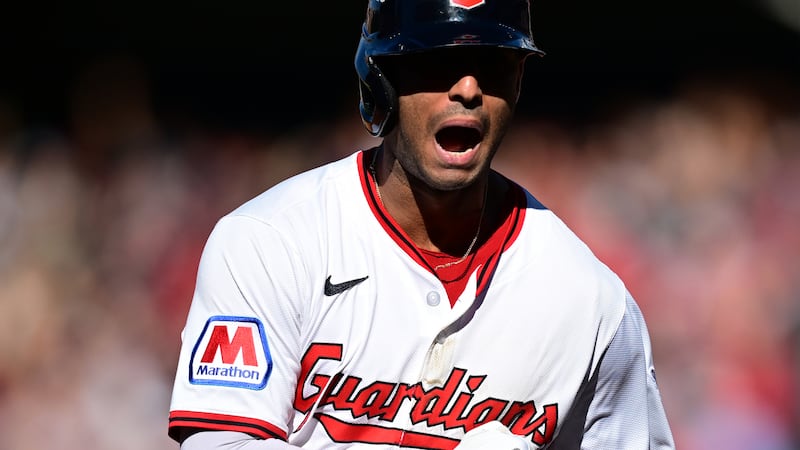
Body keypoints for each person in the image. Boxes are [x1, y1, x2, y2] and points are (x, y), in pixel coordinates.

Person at [167, 0, 676, 448]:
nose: (469, 89)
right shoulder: (271, 242)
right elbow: (223, 442)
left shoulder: (592, 302)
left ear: (518, 82)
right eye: (438, 61)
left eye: (493, 65)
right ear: (381, 80)